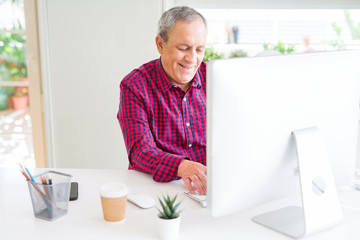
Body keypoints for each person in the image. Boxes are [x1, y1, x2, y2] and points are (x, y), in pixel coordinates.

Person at [117, 6, 207, 195]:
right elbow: (140, 151)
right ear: (160, 44)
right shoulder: (134, 85)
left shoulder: (214, 78)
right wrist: (181, 166)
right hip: (156, 190)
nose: (192, 58)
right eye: (183, 48)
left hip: (207, 188)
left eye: (199, 49)